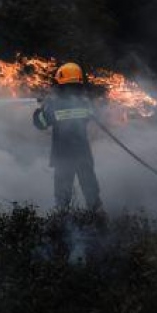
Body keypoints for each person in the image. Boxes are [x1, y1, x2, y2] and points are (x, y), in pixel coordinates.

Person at [33, 62, 102, 210]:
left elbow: (41, 123)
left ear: (61, 84)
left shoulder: (54, 105)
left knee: (63, 199)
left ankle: (63, 227)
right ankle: (99, 222)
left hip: (63, 156)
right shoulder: (85, 103)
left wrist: (41, 108)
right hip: (83, 154)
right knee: (91, 193)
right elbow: (94, 115)